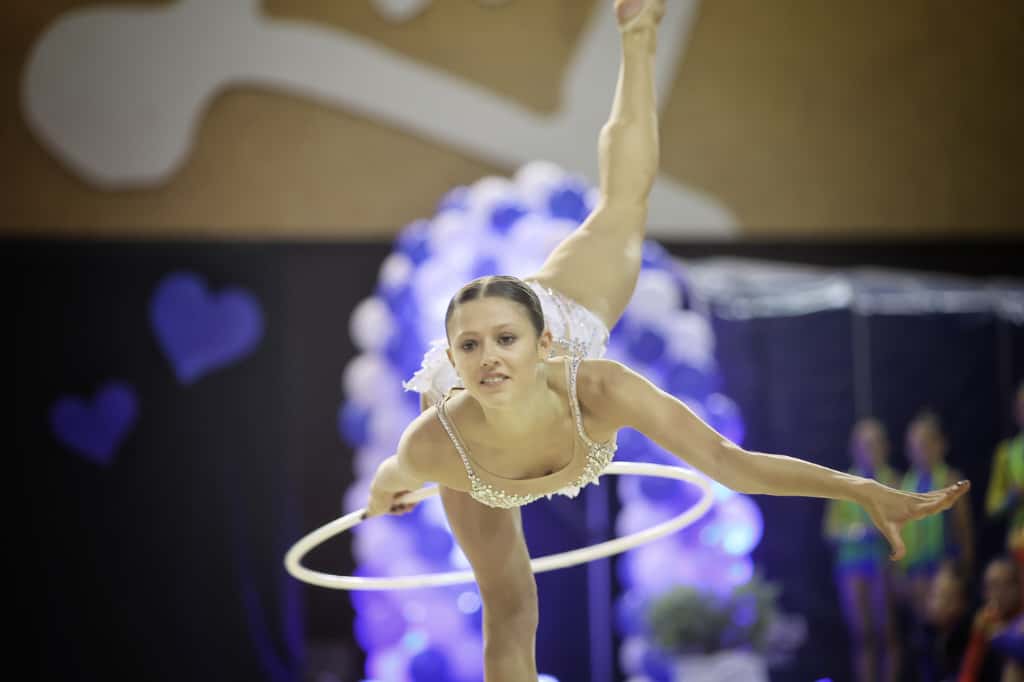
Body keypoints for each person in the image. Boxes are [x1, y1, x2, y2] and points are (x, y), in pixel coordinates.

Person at [364, 1, 971, 678]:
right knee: (510, 608)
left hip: (564, 317)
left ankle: (638, 33)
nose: (489, 360)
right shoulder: (438, 443)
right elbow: (396, 473)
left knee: (624, 204)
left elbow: (731, 465)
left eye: (506, 340)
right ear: (450, 359)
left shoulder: (597, 388)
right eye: (469, 348)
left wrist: (859, 489)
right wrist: (392, 489)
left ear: (544, 345)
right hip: (475, 462)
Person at [824, 418, 903, 682]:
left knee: (888, 631)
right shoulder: (843, 482)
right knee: (862, 635)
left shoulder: (893, 480)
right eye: (864, 444)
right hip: (851, 565)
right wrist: (861, 531)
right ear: (854, 448)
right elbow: (831, 530)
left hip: (884, 561)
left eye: (876, 443)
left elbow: (904, 523)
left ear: (885, 447)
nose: (871, 449)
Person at [900, 410, 975, 623]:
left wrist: (964, 568)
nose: (920, 451)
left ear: (940, 444)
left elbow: (964, 528)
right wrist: (900, 569)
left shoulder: (950, 479)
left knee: (945, 620)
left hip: (945, 565)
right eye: (914, 445)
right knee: (921, 625)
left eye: (925, 444)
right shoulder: (905, 484)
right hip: (915, 569)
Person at [958, 557, 1023, 682]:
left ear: (1017, 587)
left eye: (1002, 585)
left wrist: (996, 633)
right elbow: (969, 673)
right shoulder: (985, 621)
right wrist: (980, 635)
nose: (996, 593)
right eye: (990, 586)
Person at [985, 383, 1024, 569]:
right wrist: (1011, 498)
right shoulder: (1006, 454)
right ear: (1017, 412)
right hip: (1018, 541)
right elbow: (992, 508)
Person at [919, 560, 972, 682]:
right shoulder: (924, 637)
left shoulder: (970, 641)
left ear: (962, 604)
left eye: (946, 597)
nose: (936, 603)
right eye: (935, 594)